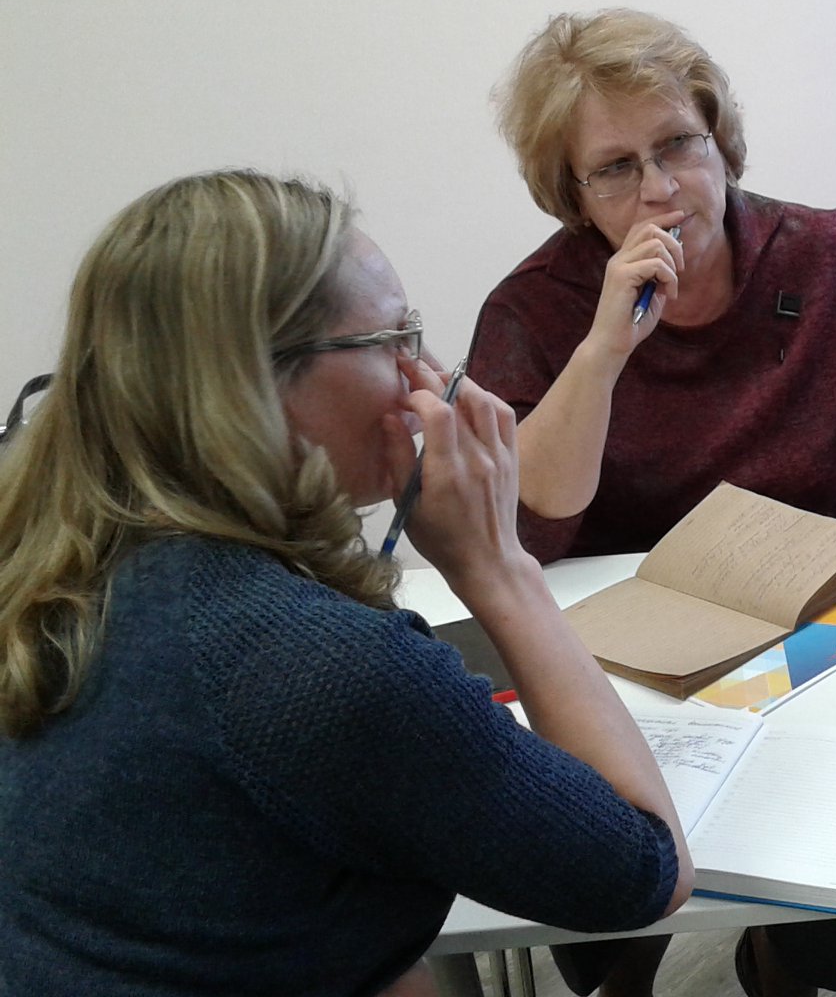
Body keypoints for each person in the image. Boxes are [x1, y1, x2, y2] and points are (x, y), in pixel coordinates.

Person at [0, 171, 693, 995]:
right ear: (252, 381)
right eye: (395, 338)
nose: (428, 375)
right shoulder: (306, 663)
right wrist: (499, 569)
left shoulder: (58, 563)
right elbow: (641, 873)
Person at [468, 9, 836, 996]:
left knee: (810, 883)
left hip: (802, 622)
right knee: (616, 906)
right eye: (615, 168)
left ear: (722, 142)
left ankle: (778, 962)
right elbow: (529, 512)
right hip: (618, 648)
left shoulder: (827, 260)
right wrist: (605, 350)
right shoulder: (536, 310)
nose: (660, 188)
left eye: (679, 144)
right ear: (572, 194)